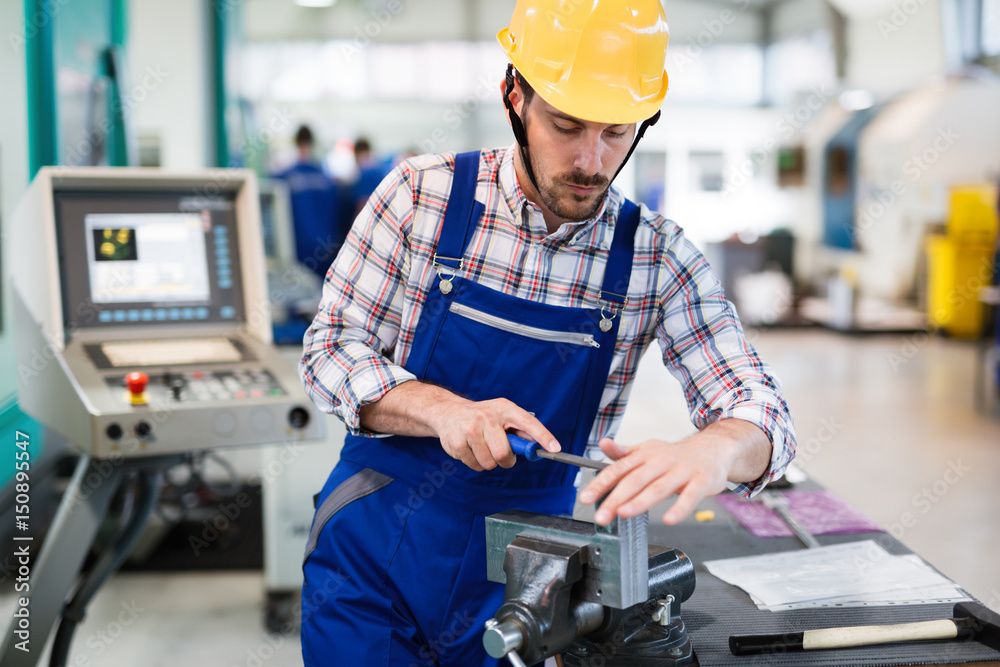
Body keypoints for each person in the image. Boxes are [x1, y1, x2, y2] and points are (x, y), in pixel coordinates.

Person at [298, 2, 797, 665]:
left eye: (616, 131)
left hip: (524, 584)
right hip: (369, 569)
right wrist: (443, 410)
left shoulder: (656, 256)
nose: (591, 160)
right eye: (566, 125)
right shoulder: (422, 197)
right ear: (515, 98)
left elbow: (764, 412)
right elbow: (330, 348)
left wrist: (714, 448)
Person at [272, 125, 349, 279]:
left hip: (297, 249)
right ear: (312, 142)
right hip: (325, 249)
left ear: (295, 142)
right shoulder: (328, 180)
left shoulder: (283, 179)